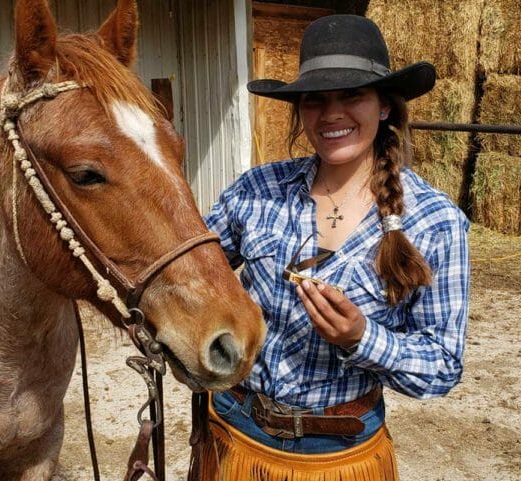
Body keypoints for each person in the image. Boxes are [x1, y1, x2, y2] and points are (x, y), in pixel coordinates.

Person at [200, 14, 470, 481]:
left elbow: (442, 367)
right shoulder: (257, 190)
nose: (331, 115)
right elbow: (189, 272)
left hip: (341, 454)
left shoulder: (435, 222)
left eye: (352, 96)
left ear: (384, 106)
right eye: (315, 100)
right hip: (235, 437)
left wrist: (362, 338)